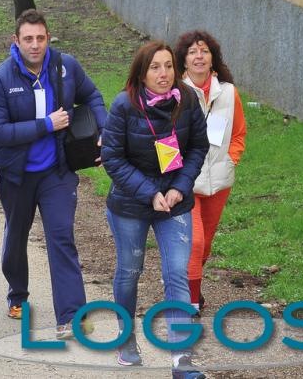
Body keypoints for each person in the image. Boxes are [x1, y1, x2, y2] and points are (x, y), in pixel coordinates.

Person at [0, 9, 106, 338]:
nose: (35, 45)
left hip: (57, 172)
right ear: (16, 41)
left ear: (48, 37)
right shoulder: (0, 80)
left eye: (40, 38)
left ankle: (71, 315)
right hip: (17, 175)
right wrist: (45, 125)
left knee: (61, 237)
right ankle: (17, 293)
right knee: (16, 237)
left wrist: (104, 130)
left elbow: (92, 95)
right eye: (28, 39)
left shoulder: (66, 68)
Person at [100, 41, 209, 377]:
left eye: (169, 66)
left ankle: (181, 359)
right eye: (155, 68)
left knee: (177, 272)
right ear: (142, 72)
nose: (164, 74)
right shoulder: (124, 106)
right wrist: (149, 193)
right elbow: (112, 158)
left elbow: (198, 147)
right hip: (131, 204)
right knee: (130, 272)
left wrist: (179, 187)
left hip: (175, 203)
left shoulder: (188, 100)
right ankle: (126, 338)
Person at [174, 31, 246, 315]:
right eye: (192, 52)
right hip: (187, 182)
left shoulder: (228, 93)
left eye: (204, 51)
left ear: (212, 58)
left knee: (206, 246)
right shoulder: (176, 93)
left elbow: (238, 133)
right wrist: (173, 172)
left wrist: (231, 160)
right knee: (196, 241)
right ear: (184, 60)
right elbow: (164, 136)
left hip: (219, 181)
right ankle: (189, 302)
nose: (199, 56)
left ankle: (189, 286)